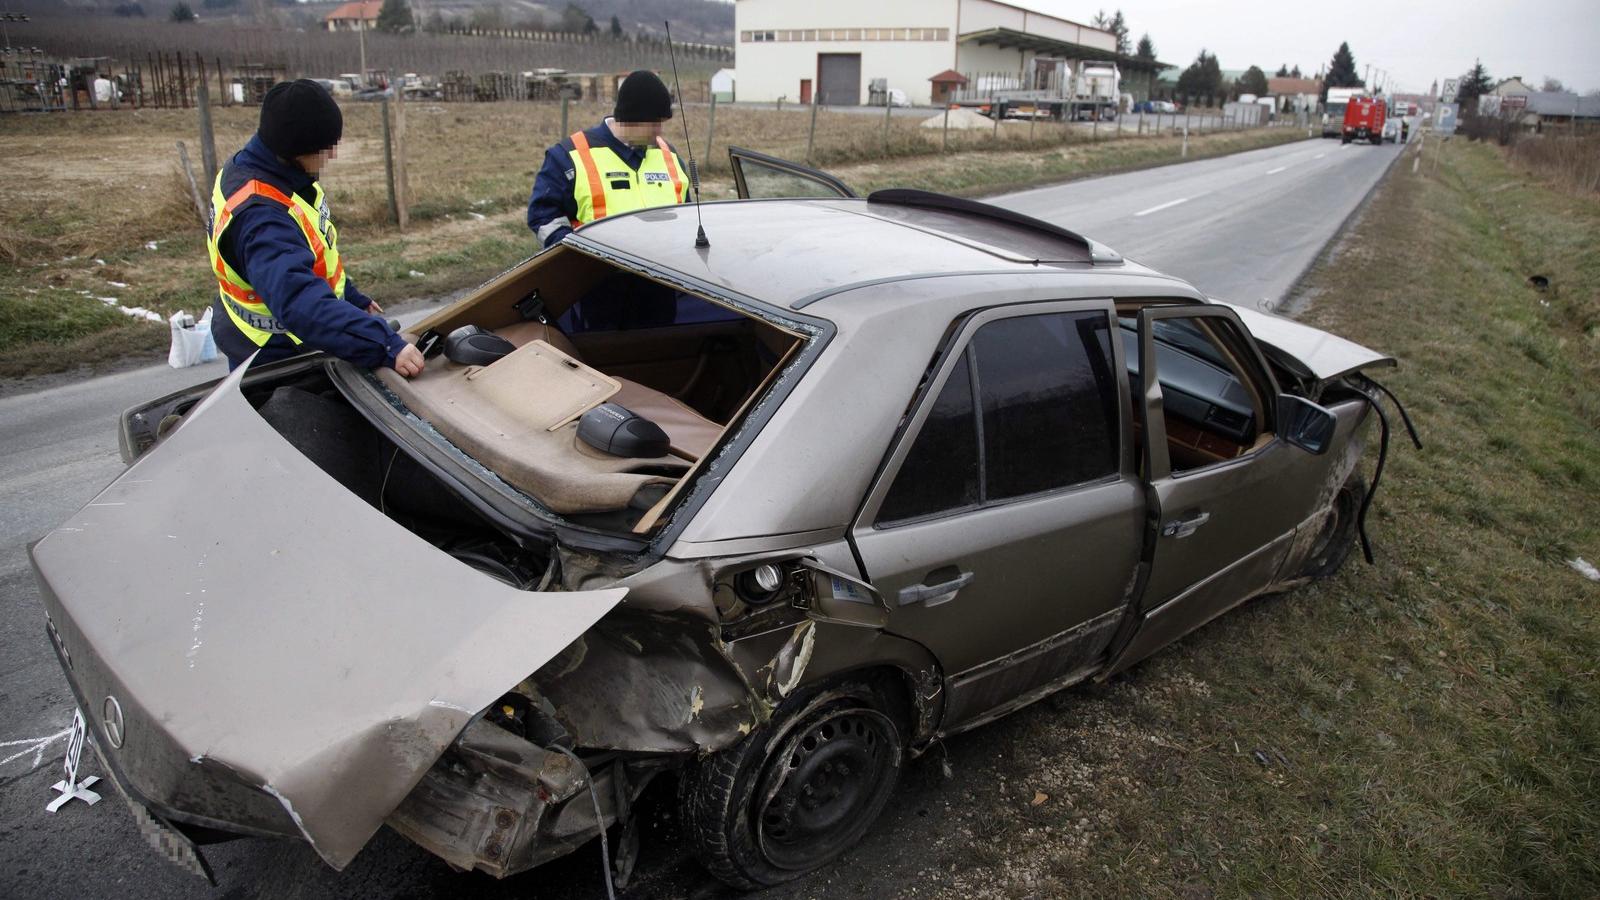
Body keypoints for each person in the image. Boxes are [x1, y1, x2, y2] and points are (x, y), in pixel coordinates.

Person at [207, 79, 424, 376]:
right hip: (273, 356)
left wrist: (349, 297)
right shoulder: (261, 217)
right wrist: (383, 344)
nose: (331, 155)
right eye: (325, 148)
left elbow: (313, 252)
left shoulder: (273, 173)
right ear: (296, 150)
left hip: (285, 339)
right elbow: (299, 301)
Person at [526, 70, 689, 248]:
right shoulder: (568, 156)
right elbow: (543, 216)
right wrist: (573, 252)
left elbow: (688, 215)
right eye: (653, 123)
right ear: (630, 117)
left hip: (663, 271)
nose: (659, 131)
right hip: (599, 272)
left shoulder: (670, 156)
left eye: (661, 123)